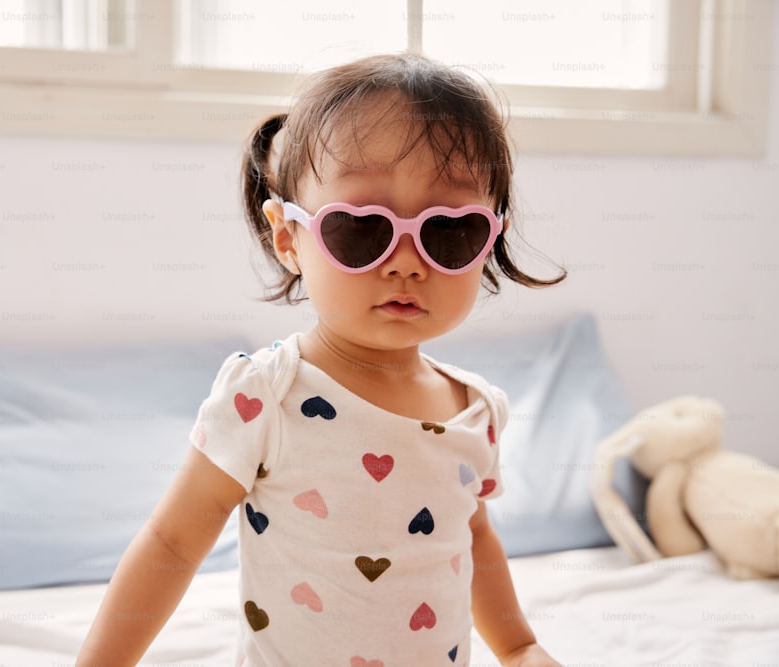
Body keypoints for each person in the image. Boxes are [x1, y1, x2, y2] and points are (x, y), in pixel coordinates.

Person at [78, 52, 566, 666]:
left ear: (490, 238)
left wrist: (519, 646)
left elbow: (472, 539)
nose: (407, 261)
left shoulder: (477, 411)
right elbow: (172, 542)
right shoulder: (266, 394)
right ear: (288, 240)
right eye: (361, 228)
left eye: (450, 231)